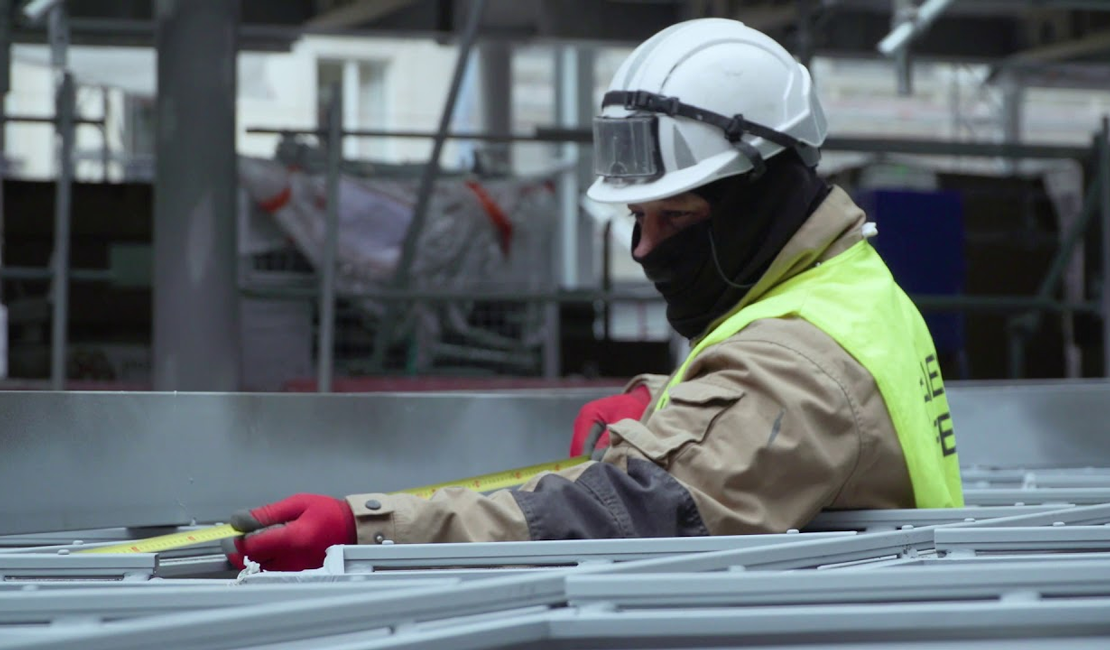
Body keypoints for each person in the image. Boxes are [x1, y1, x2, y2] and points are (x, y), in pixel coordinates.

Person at [227, 18, 963, 573]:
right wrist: (671, 404)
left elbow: (620, 516)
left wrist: (367, 531)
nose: (644, 249)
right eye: (637, 219)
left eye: (674, 218)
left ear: (761, 198)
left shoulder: (803, 367)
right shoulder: (848, 285)